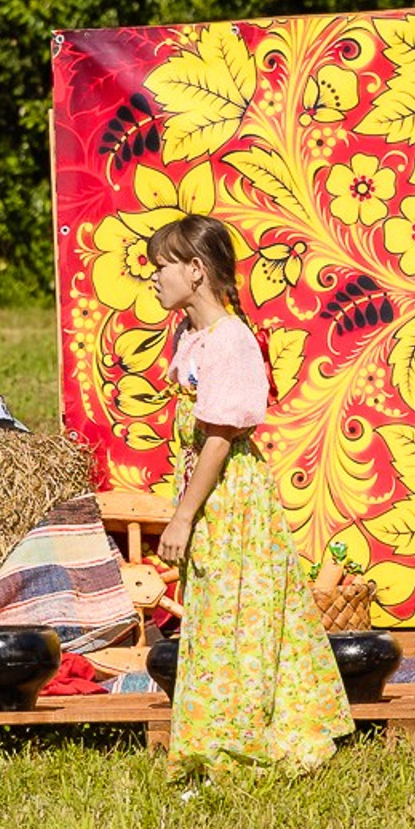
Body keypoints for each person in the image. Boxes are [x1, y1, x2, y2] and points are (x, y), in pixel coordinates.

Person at [147, 216, 351, 779]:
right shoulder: (192, 336)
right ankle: (214, 730)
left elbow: (219, 438)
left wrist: (183, 516)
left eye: (162, 267)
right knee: (215, 611)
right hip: (210, 495)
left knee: (241, 612)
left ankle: (246, 735)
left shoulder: (231, 341)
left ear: (195, 270)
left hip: (230, 498)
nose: (154, 279)